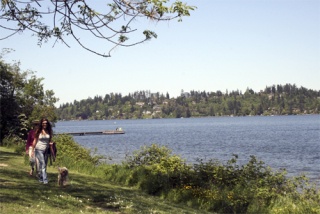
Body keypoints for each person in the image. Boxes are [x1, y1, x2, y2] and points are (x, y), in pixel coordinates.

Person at [31, 118, 53, 184]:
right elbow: (35, 140)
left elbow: (49, 140)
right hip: (38, 149)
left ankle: (40, 178)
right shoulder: (38, 131)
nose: (45, 124)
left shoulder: (49, 131)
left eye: (46, 123)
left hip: (46, 150)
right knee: (43, 164)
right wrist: (32, 149)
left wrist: (51, 144)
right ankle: (45, 180)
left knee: (43, 165)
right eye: (43, 123)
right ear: (41, 124)